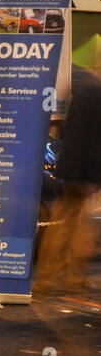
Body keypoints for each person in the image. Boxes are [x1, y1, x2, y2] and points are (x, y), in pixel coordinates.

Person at [39, 64, 101, 294]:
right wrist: (93, 177)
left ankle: (55, 277)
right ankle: (63, 278)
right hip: (83, 173)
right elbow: (95, 139)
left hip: (72, 169)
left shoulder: (85, 91)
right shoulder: (96, 92)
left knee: (67, 225)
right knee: (76, 226)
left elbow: (69, 132)